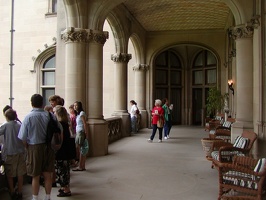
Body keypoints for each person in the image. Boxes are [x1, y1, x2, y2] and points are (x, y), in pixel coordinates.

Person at [18, 94, 60, 200]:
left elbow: (22, 137)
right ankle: (48, 197)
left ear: (31, 103)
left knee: (35, 175)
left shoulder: (28, 117)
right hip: (48, 147)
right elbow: (58, 131)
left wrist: (27, 147)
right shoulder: (50, 115)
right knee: (47, 174)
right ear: (42, 103)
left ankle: (35, 197)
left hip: (34, 147)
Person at [0, 109, 25, 200]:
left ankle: (12, 191)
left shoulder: (5, 125)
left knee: (10, 174)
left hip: (10, 152)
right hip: (20, 152)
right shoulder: (19, 125)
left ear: (6, 117)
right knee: (20, 174)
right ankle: (20, 191)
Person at [53, 105, 76, 197]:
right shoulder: (65, 124)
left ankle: (66, 189)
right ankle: (64, 188)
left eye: (55, 112)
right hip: (66, 150)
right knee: (65, 170)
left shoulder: (60, 125)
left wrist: (56, 148)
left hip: (62, 150)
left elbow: (60, 139)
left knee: (62, 170)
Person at [72, 101, 88, 171]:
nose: (74, 107)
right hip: (79, 132)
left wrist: (86, 133)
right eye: (74, 105)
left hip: (80, 132)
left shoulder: (81, 113)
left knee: (80, 149)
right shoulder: (78, 114)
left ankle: (80, 166)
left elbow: (85, 124)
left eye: (76, 105)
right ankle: (82, 166)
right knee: (82, 149)